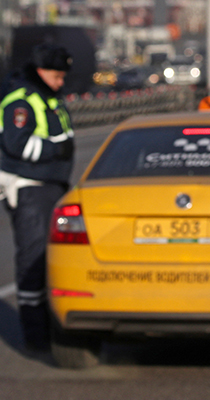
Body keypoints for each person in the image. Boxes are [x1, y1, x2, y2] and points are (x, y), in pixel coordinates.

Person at [0, 43, 75, 352]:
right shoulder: (22, 99)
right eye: (57, 76)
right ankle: (36, 337)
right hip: (30, 187)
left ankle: (46, 329)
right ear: (42, 72)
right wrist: (55, 151)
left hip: (49, 185)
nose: (61, 82)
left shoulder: (48, 97)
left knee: (48, 261)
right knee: (32, 263)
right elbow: (16, 145)